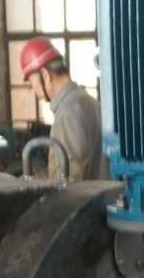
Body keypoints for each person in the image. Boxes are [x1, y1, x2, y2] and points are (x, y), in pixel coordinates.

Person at [20, 37, 108, 182]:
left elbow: (68, 183)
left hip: (87, 197)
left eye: (31, 83)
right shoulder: (87, 101)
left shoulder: (68, 113)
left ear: (45, 75)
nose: (33, 90)